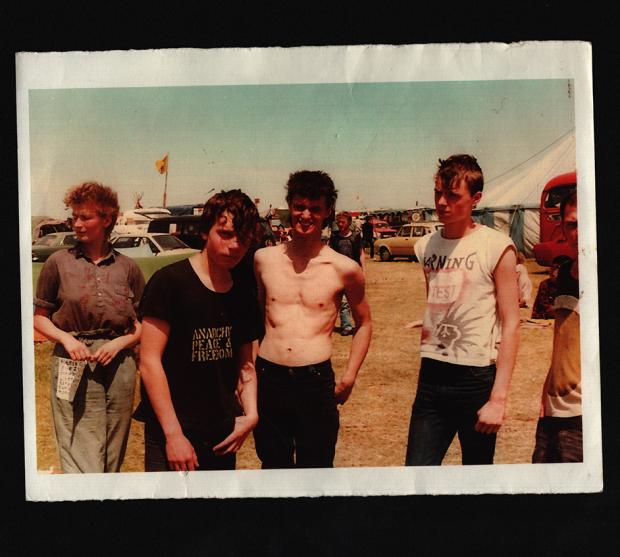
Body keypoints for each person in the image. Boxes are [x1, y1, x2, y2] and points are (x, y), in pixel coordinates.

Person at [135, 190, 263, 472]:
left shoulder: (243, 293)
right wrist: (173, 435)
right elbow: (149, 361)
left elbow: (246, 366)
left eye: (243, 238)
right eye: (225, 234)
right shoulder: (169, 282)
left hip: (221, 432)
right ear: (205, 231)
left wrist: (251, 414)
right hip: (170, 431)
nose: (235, 245)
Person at [405, 155, 520, 466]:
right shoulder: (426, 246)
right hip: (432, 376)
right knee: (417, 474)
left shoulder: (497, 246)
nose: (442, 202)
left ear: (475, 198)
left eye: (453, 195)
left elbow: (511, 323)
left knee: (476, 476)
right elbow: (437, 300)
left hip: (475, 377)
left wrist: (498, 399)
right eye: (438, 193)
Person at [253, 170, 372, 468]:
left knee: (316, 470)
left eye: (315, 208)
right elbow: (256, 318)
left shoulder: (344, 268)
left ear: (327, 211)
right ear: (289, 206)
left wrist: (350, 376)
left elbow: (364, 323)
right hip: (269, 377)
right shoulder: (264, 260)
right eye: (299, 206)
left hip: (315, 382)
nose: (305, 215)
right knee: (273, 469)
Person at [34, 182, 145, 473]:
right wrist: (67, 340)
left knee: (114, 440)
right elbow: (39, 317)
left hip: (119, 363)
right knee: (77, 438)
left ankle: (105, 493)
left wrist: (120, 344)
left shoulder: (128, 267)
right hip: (73, 359)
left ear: (107, 219)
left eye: (85, 217)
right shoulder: (58, 263)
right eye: (75, 217)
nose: (77, 224)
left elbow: (143, 325)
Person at [532, 190, 581, 463]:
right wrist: (545, 392)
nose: (579, 232)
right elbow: (562, 341)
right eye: (572, 224)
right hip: (553, 409)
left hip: (584, 416)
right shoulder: (564, 274)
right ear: (562, 227)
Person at [329, 211, 366, 336]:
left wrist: (363, 271)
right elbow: (331, 255)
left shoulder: (356, 237)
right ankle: (346, 326)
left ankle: (360, 325)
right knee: (343, 302)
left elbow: (361, 254)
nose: (340, 224)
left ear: (349, 222)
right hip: (339, 275)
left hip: (354, 274)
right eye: (338, 222)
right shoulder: (334, 237)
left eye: (342, 222)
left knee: (356, 301)